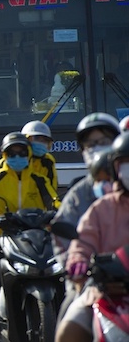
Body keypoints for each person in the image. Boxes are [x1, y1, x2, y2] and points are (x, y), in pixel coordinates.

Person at [0, 132, 59, 342]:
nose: (17, 156)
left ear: (29, 153)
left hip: (36, 235)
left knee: (61, 271)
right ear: (4, 155)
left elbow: (53, 199)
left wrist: (62, 212)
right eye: (12, 153)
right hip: (4, 235)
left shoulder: (39, 178)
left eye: (22, 152)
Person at [56, 132, 129, 342]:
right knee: (67, 332)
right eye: (125, 163)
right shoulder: (102, 208)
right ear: (116, 169)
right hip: (103, 294)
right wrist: (78, 261)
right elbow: (83, 241)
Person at [52, 113, 119, 321]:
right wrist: (75, 265)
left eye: (103, 142)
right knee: (69, 318)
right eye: (91, 144)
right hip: (92, 283)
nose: (97, 148)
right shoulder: (78, 195)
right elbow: (64, 235)